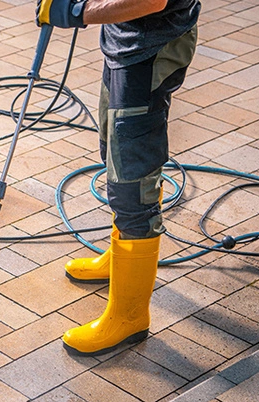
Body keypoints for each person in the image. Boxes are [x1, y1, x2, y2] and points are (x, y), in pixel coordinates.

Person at [35, 0, 201, 356]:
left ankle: (129, 316)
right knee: (114, 156)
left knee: (132, 183)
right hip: (125, 44)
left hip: (150, 49)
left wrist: (77, 12)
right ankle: (120, 260)